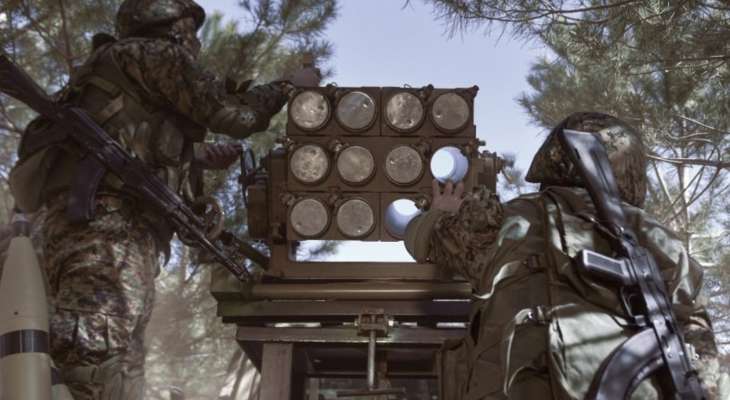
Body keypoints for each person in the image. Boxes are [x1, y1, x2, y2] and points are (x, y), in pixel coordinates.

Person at [8, 0, 319, 398]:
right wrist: (289, 85)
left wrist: (197, 157)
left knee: (115, 372)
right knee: (94, 369)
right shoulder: (155, 54)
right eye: (190, 31)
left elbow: (129, 143)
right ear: (175, 29)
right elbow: (236, 115)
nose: (194, 43)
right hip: (109, 235)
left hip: (84, 230)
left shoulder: (107, 68)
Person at [405, 112, 727, 399]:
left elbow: (422, 241)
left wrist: (441, 212)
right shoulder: (659, 239)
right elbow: (699, 347)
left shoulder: (508, 220)